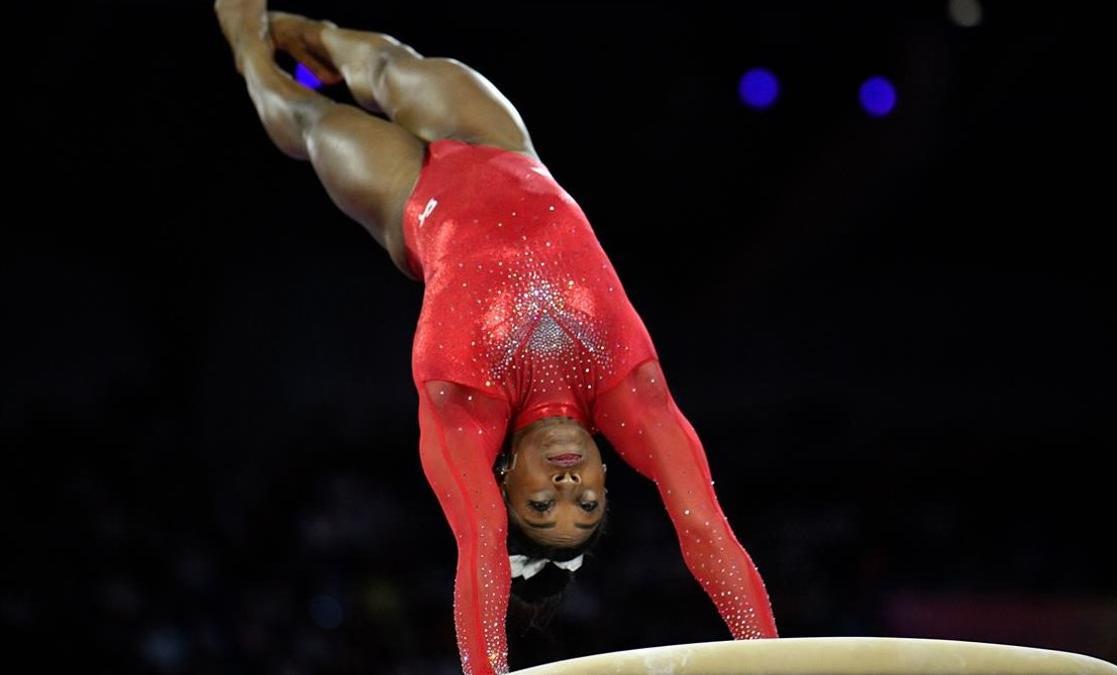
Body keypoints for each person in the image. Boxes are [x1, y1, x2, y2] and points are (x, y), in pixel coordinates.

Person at [214, 2, 779, 672]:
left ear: (506, 480)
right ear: (606, 471)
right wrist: (772, 658)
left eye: (544, 502)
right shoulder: (630, 385)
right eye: (587, 499)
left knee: (301, 119)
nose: (568, 482)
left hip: (409, 197)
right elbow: (705, 529)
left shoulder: (465, 402)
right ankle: (316, 36)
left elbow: (481, 545)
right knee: (389, 62)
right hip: (498, 143)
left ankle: (245, 43)